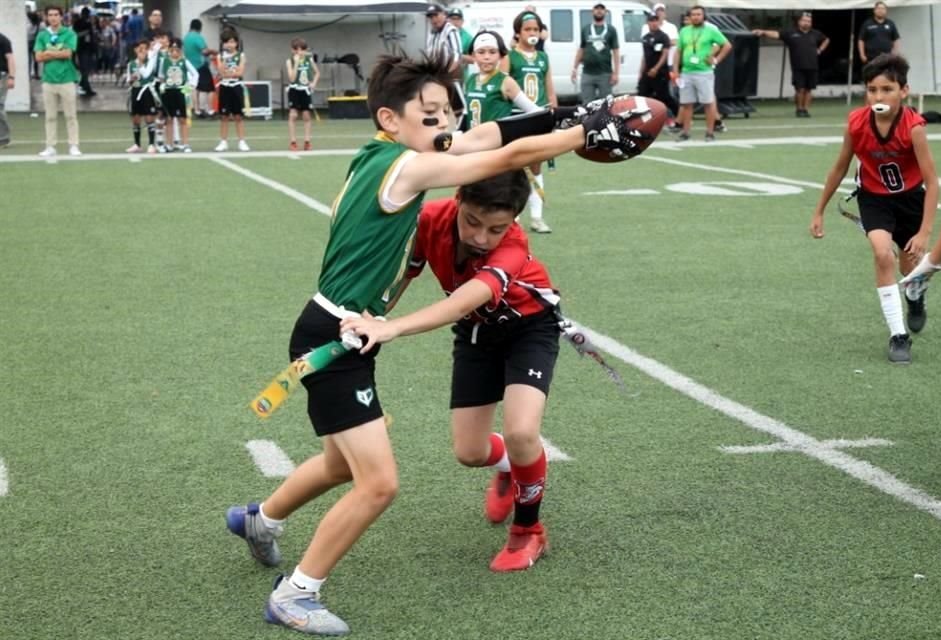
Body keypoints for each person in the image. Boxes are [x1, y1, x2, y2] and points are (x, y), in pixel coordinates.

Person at [223, 51, 641, 636]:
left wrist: (559, 112)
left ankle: (259, 520)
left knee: (342, 465)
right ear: (392, 120)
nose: (445, 127)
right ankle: (296, 593)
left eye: (448, 113)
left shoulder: (379, 153)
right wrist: (581, 134)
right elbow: (507, 156)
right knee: (379, 483)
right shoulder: (407, 166)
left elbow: (489, 134)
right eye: (431, 115)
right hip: (339, 331)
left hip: (339, 327)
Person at [341, 169, 559, 572]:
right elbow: (400, 277)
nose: (480, 237)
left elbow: (460, 302)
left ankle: (529, 531)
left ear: (512, 220)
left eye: (495, 228)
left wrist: (391, 329)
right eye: (472, 221)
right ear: (459, 198)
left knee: (521, 431)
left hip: (530, 328)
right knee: (470, 452)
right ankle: (512, 467)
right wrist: (369, 316)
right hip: (478, 331)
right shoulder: (429, 219)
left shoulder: (513, 246)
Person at [810, 54, 939, 364]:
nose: (878, 96)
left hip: (911, 200)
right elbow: (839, 167)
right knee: (882, 255)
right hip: (873, 199)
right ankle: (898, 336)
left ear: (904, 91)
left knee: (911, 270)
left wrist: (924, 232)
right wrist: (819, 210)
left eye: (887, 89)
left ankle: (915, 296)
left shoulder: (914, 128)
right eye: (872, 90)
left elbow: (933, 183)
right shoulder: (856, 123)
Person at [503, 11, 556, 234]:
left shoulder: (543, 58)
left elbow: (549, 88)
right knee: (513, 166)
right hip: (517, 117)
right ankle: (512, 216)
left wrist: (554, 112)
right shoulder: (510, 57)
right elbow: (502, 86)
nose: (532, 33)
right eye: (528, 29)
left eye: (535, 29)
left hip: (540, 117)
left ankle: (536, 217)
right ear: (518, 33)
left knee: (536, 166)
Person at [672, 5, 731, 142]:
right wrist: (675, 69)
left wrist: (716, 60)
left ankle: (710, 133)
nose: (696, 17)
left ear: (703, 16)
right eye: (693, 14)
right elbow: (679, 51)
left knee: (708, 103)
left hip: (704, 72)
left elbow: (726, 45)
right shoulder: (684, 31)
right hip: (687, 72)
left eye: (698, 14)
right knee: (687, 103)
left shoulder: (711, 30)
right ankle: (685, 133)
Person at [753, 12, 829, 118]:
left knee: (809, 89)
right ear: (799, 22)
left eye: (809, 21)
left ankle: (806, 110)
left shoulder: (815, 33)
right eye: (804, 20)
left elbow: (826, 39)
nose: (807, 23)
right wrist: (763, 32)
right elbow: (776, 34)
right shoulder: (791, 33)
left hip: (813, 66)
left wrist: (820, 50)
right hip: (798, 67)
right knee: (800, 89)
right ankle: (799, 109)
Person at [463, 30, 538, 130]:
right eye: (481, 52)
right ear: (473, 55)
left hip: (497, 143)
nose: (487, 57)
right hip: (472, 142)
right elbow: (466, 114)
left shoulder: (506, 81)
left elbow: (534, 111)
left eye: (492, 52)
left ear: (500, 55)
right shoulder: (470, 80)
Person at [34, 5, 81, 157]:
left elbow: (67, 53)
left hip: (67, 79)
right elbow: (38, 57)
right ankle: (50, 146)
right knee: (50, 116)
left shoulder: (69, 33)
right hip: (48, 80)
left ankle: (73, 145)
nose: (53, 17)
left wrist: (48, 52)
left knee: (71, 115)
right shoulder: (42, 35)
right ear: (46, 17)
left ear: (61, 17)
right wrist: (55, 53)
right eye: (50, 15)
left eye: (56, 15)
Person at [425, 4, 465, 124]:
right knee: (437, 104)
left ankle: (464, 130)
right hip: (437, 75)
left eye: (436, 15)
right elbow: (430, 54)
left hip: (450, 74)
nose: (433, 19)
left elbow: (457, 55)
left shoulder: (450, 30)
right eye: (431, 17)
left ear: (443, 14)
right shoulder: (432, 33)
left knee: (459, 106)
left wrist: (447, 73)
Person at [572, 3, 619, 104]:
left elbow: (616, 51)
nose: (599, 11)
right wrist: (574, 68)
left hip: (605, 74)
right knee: (587, 105)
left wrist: (616, 73)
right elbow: (581, 49)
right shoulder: (586, 29)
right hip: (587, 73)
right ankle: (588, 120)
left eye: (602, 9)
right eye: (597, 8)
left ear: (605, 12)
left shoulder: (611, 30)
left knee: (606, 104)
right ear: (592, 11)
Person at [158, 38, 198, 152]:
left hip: (180, 91)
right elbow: (161, 76)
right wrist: (162, 86)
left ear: (181, 50)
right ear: (169, 50)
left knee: (182, 119)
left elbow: (195, 74)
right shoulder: (164, 61)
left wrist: (188, 89)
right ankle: (169, 144)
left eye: (177, 50)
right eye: (172, 50)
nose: (174, 53)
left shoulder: (184, 61)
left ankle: (185, 144)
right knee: (169, 119)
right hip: (168, 92)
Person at [214, 28, 249, 152]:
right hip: (225, 87)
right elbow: (221, 72)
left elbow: (240, 72)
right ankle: (223, 141)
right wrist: (224, 61)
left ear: (237, 43)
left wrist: (230, 73)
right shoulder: (220, 56)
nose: (230, 44)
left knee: (238, 115)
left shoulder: (241, 55)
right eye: (227, 42)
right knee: (224, 116)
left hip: (236, 86)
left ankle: (241, 141)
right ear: (223, 44)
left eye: (233, 42)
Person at [637, 13, 675, 116]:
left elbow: (665, 54)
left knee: (664, 96)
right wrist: (641, 72)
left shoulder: (663, 36)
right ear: (647, 22)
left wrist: (656, 68)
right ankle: (642, 118)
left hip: (660, 72)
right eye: (651, 21)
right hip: (647, 72)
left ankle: (679, 116)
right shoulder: (645, 37)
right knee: (642, 95)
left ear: (659, 22)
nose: (654, 23)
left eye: (655, 21)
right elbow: (645, 56)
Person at [286, 37, 320, 151]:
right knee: (293, 115)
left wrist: (313, 83)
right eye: (297, 50)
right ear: (293, 50)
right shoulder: (289, 61)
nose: (300, 52)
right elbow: (292, 78)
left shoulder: (309, 59)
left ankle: (307, 141)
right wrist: (296, 63)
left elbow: (317, 73)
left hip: (305, 90)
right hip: (294, 90)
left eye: (302, 50)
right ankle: (293, 141)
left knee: (306, 116)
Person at [125, 39, 159, 153]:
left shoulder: (150, 61)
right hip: (135, 90)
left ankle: (151, 144)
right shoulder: (131, 64)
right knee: (135, 119)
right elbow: (128, 80)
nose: (142, 51)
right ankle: (137, 144)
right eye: (140, 49)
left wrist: (141, 62)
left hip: (147, 90)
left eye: (144, 49)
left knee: (149, 117)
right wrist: (131, 79)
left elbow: (147, 73)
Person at [183, 19, 216, 119]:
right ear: (200, 27)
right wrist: (214, 51)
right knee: (210, 88)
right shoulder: (197, 37)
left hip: (189, 66)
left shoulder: (186, 37)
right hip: (200, 65)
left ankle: (196, 110)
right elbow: (204, 51)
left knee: (194, 88)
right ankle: (210, 110)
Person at [858, 2, 900, 66]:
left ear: (886, 11)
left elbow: (896, 39)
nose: (880, 10)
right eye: (878, 8)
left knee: (885, 75)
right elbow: (861, 40)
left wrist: (894, 54)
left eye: (883, 9)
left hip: (886, 58)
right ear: (874, 10)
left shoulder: (891, 23)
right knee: (871, 75)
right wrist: (862, 55)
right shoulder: (867, 23)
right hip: (870, 58)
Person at [0, 30, 13, 149]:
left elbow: (10, 59)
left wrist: (11, 77)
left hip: (2, 76)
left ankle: (4, 138)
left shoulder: (3, 40)